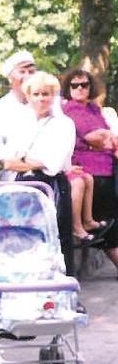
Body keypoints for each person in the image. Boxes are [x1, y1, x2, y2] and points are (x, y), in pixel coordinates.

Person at [0, 71, 76, 271]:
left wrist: (24, 158)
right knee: (24, 237)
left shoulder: (64, 124)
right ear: (28, 96)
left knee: (57, 239)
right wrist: (34, 161)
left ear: (54, 96)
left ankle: (64, 290)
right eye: (36, 94)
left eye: (46, 94)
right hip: (23, 186)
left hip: (52, 187)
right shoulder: (20, 123)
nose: (41, 99)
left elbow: (54, 163)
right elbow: (8, 161)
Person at [61, 68, 118, 271]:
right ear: (67, 88)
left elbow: (108, 136)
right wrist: (105, 138)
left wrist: (107, 138)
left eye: (84, 85)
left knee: (112, 219)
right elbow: (94, 137)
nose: (79, 89)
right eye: (74, 85)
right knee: (110, 223)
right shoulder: (71, 109)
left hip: (108, 166)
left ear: (90, 86)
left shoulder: (93, 108)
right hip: (90, 170)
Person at [0, 50, 39, 173]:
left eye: (31, 72)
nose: (28, 76)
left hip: (50, 178)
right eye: (22, 71)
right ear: (10, 78)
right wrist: (43, 165)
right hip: (12, 177)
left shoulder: (47, 106)